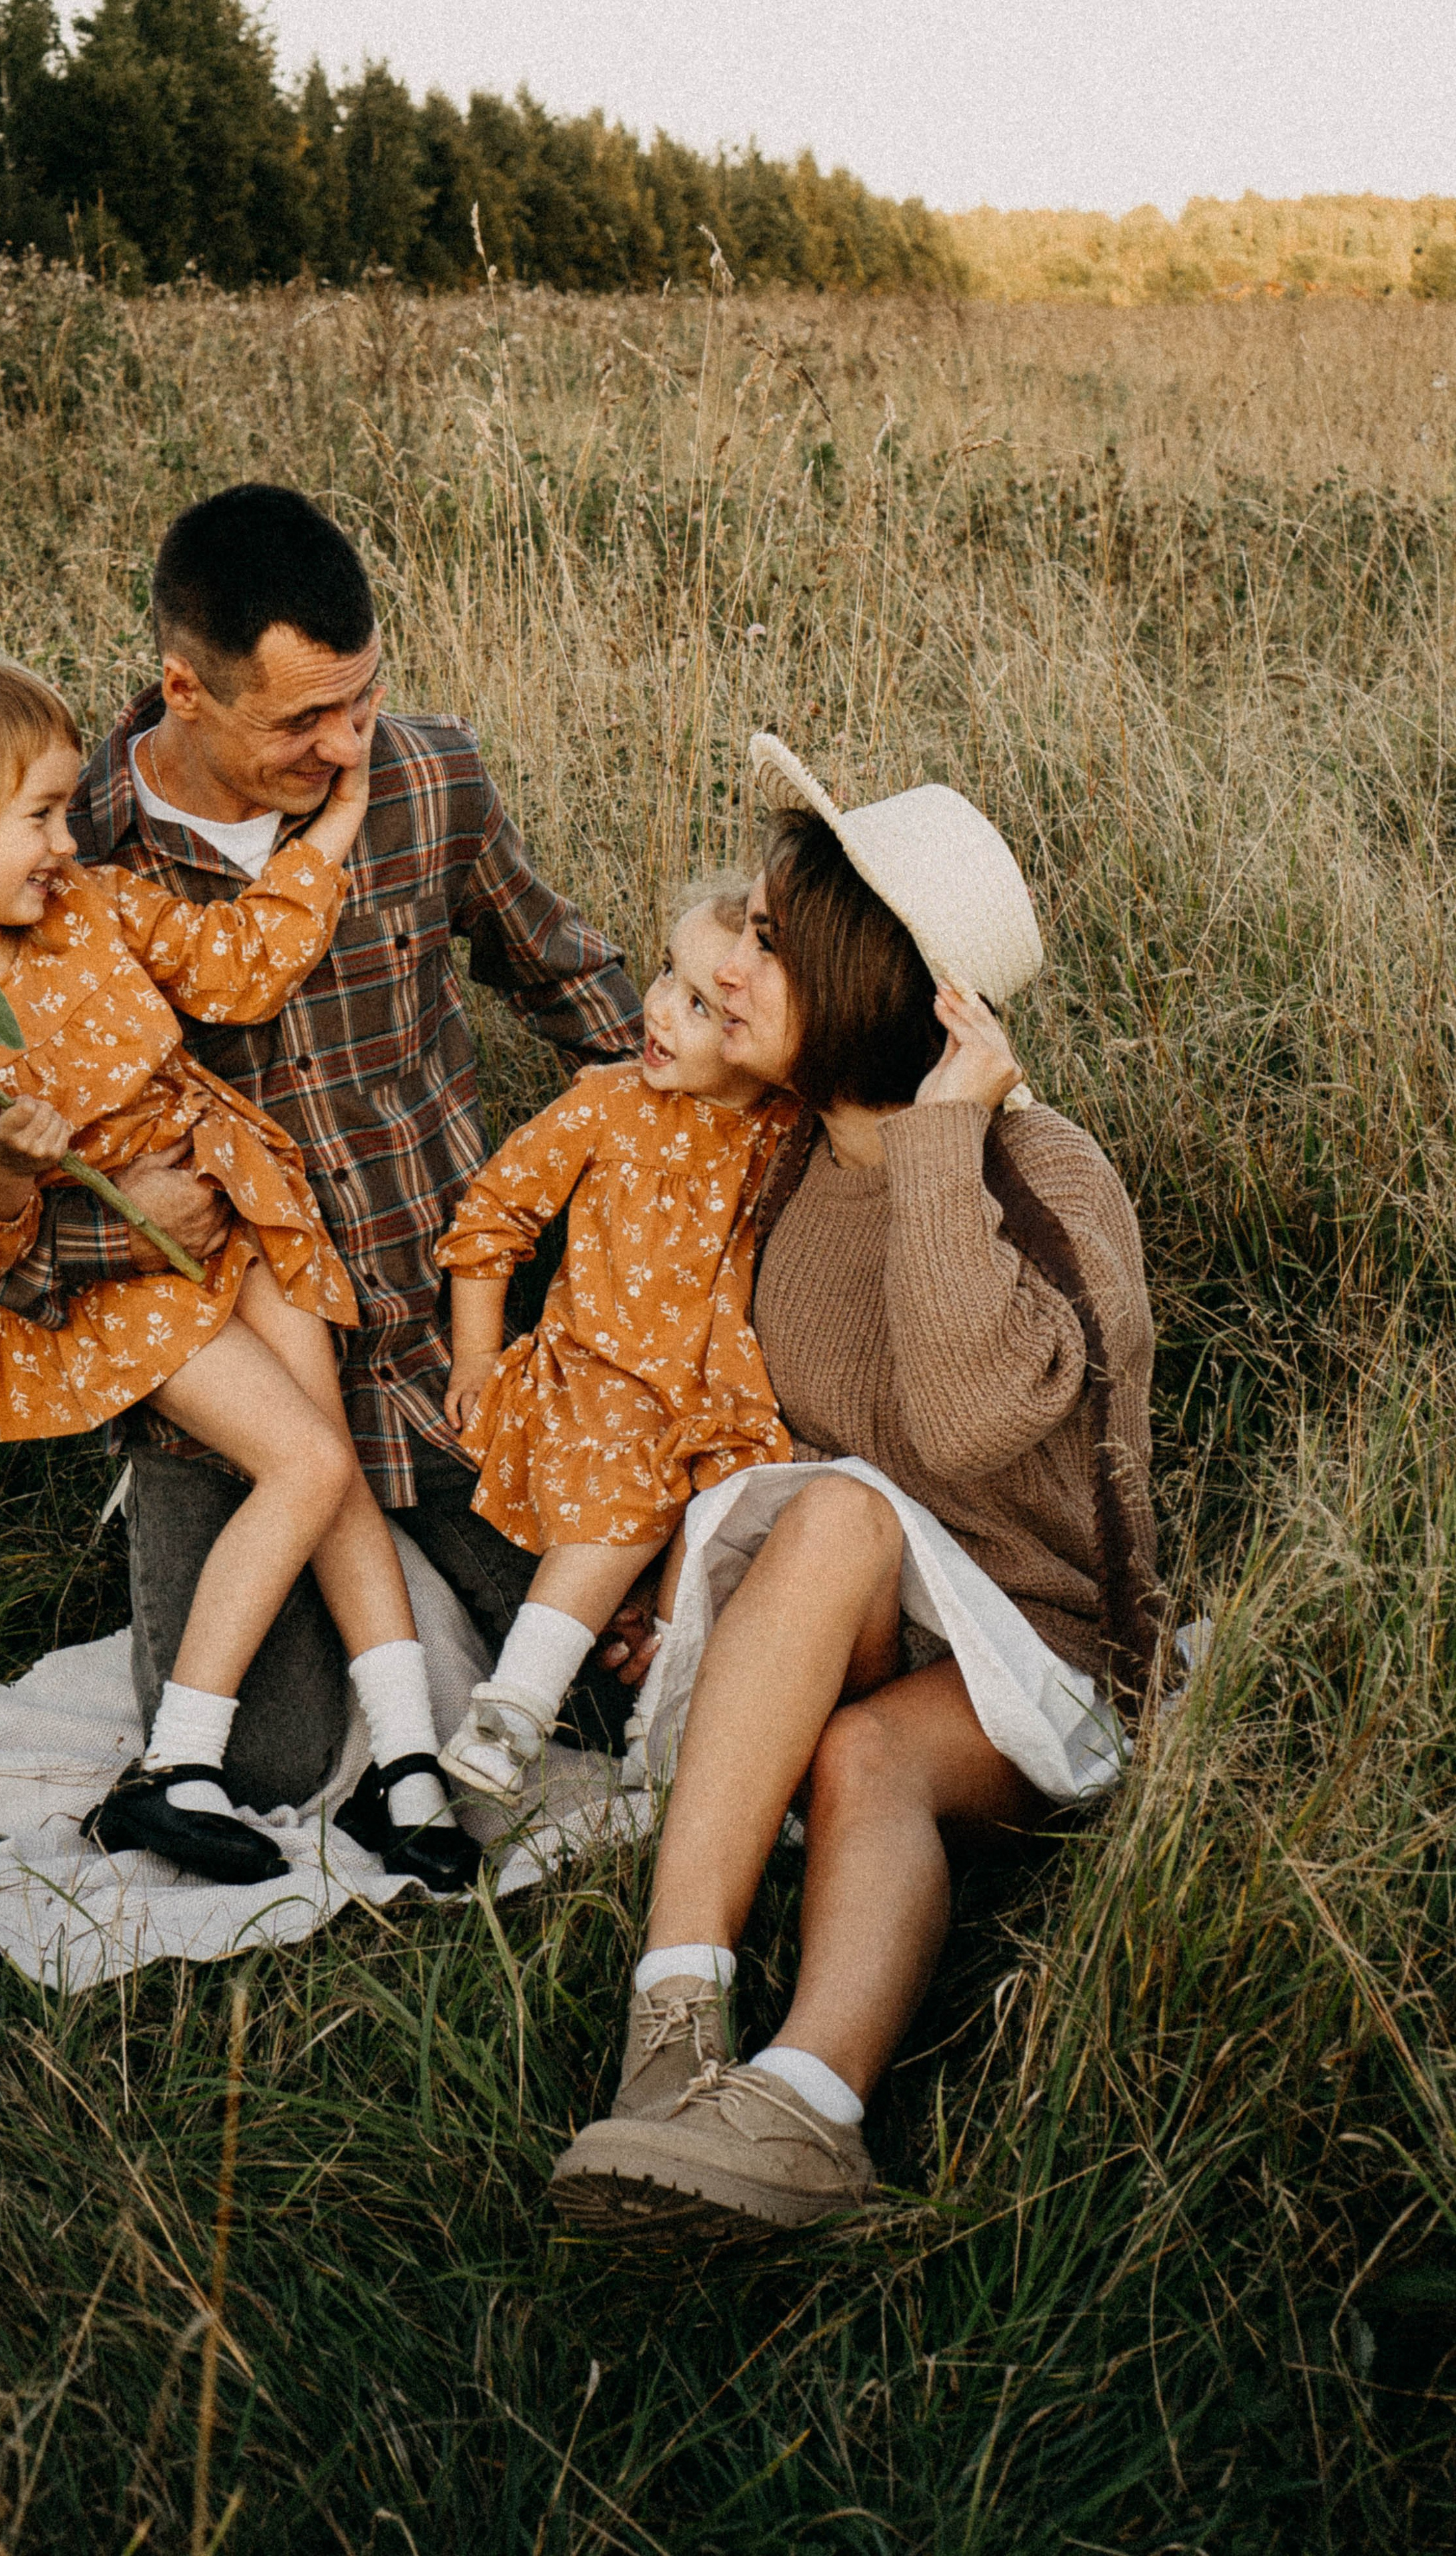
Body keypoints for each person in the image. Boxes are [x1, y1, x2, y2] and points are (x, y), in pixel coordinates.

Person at [0, 487, 645, 1822]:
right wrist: (136, 1220)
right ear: (185, 689)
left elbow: (572, 983)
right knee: (270, 1763)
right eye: (299, 722)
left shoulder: (425, 773)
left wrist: (699, 1148)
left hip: (434, 1336)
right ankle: (241, 1591)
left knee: (614, 1676)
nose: (346, 747)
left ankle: (435, 1583)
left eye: (363, 699)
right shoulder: (59, 842)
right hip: (206, 1347)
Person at [550, 732, 1160, 2236]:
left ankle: (809, 2104)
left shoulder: (1042, 1181)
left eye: (774, 937)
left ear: (873, 988)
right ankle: (674, 2036)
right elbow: (723, 1396)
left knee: (862, 1748)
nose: (735, 958)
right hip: (864, 1614)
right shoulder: (778, 1162)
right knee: (824, 1528)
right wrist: (667, 1590)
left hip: (1051, 1651)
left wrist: (944, 1132)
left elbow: (954, 1434)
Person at [0, 641, 479, 1893]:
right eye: (39, 814)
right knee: (306, 1463)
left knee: (337, 1464)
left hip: (243, 1204)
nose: (66, 836)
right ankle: (180, 1768)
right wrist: (3, 1173)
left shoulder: (90, 907)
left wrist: (352, 812)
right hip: (124, 1296)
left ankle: (406, 1769)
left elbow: (243, 965)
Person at [433, 875, 799, 1803]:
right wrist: (477, 1353)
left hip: (716, 1400)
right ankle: (513, 1708)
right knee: (632, 1480)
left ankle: (664, 1733)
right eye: (669, 979)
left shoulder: (782, 1131)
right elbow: (494, 1216)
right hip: (597, 1377)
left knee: (730, 1519)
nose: (664, 1014)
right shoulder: (609, 1103)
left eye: (705, 1009)